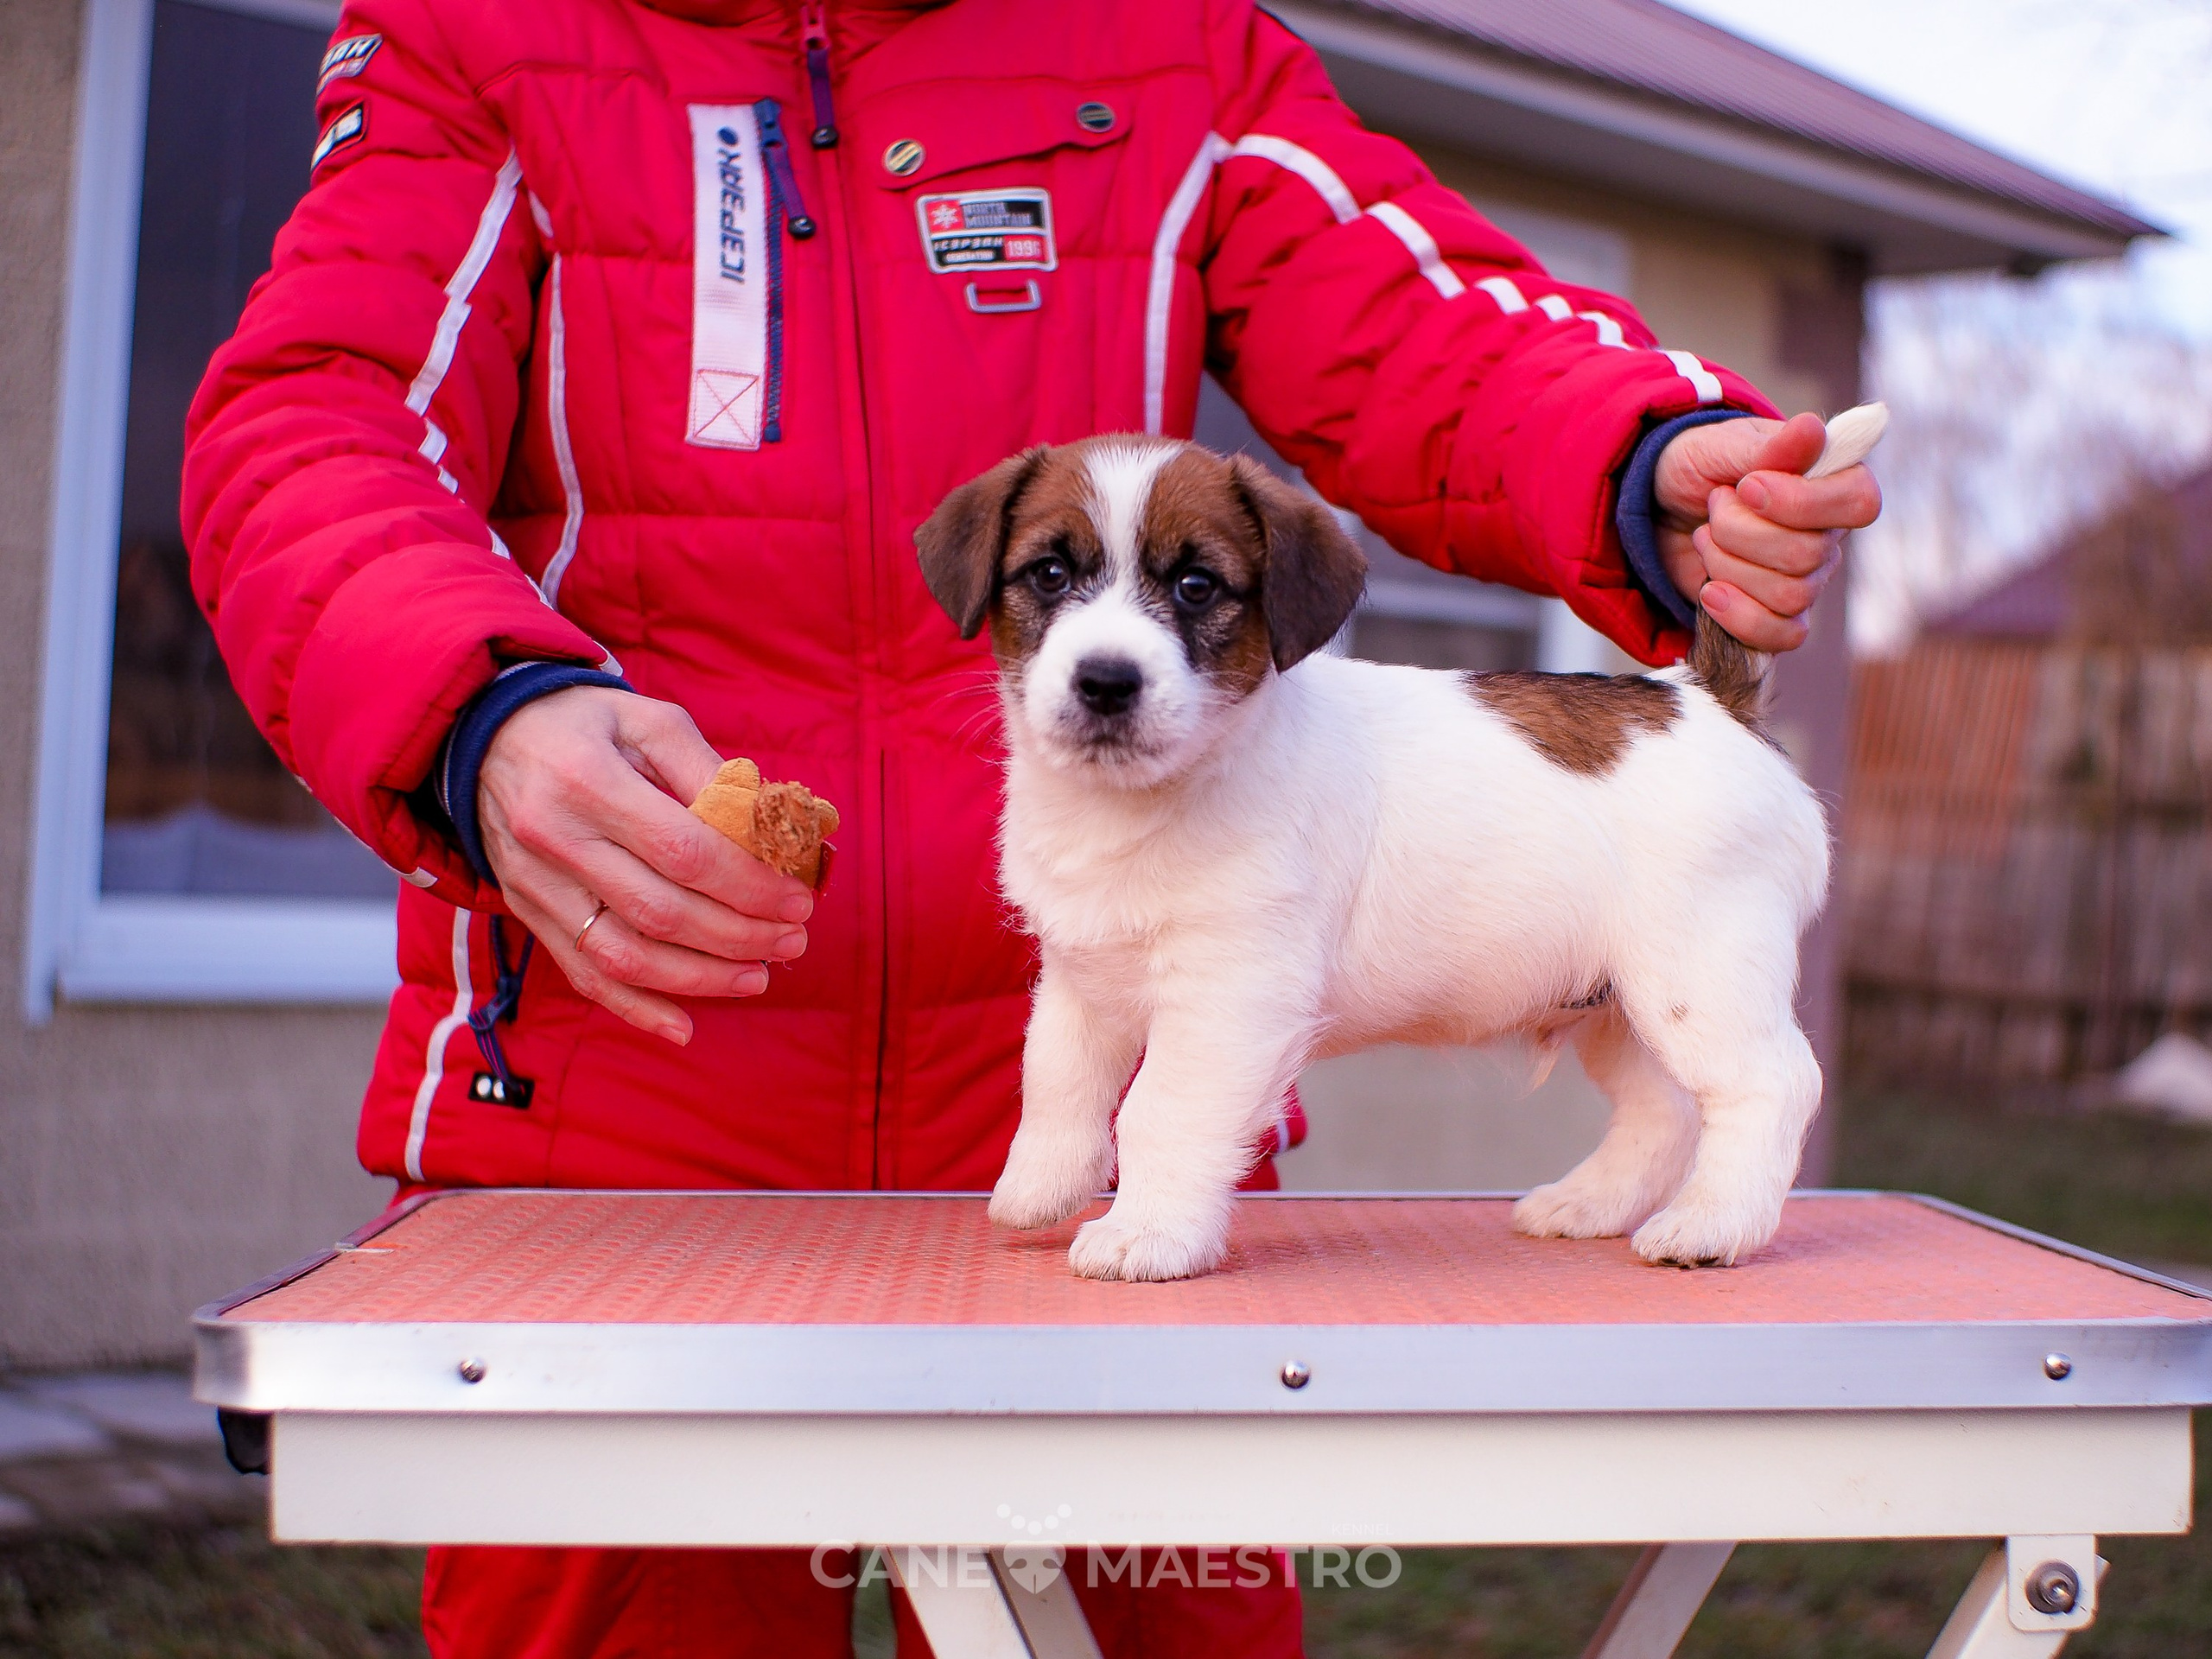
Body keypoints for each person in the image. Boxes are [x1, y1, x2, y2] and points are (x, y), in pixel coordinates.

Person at [182, 0, 1881, 1652]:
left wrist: (1639, 443)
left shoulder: (1160, 37)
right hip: (622, 1099)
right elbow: (316, 409)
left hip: (1135, 1120)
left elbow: (1425, 322)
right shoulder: (473, 26)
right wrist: (471, 702)